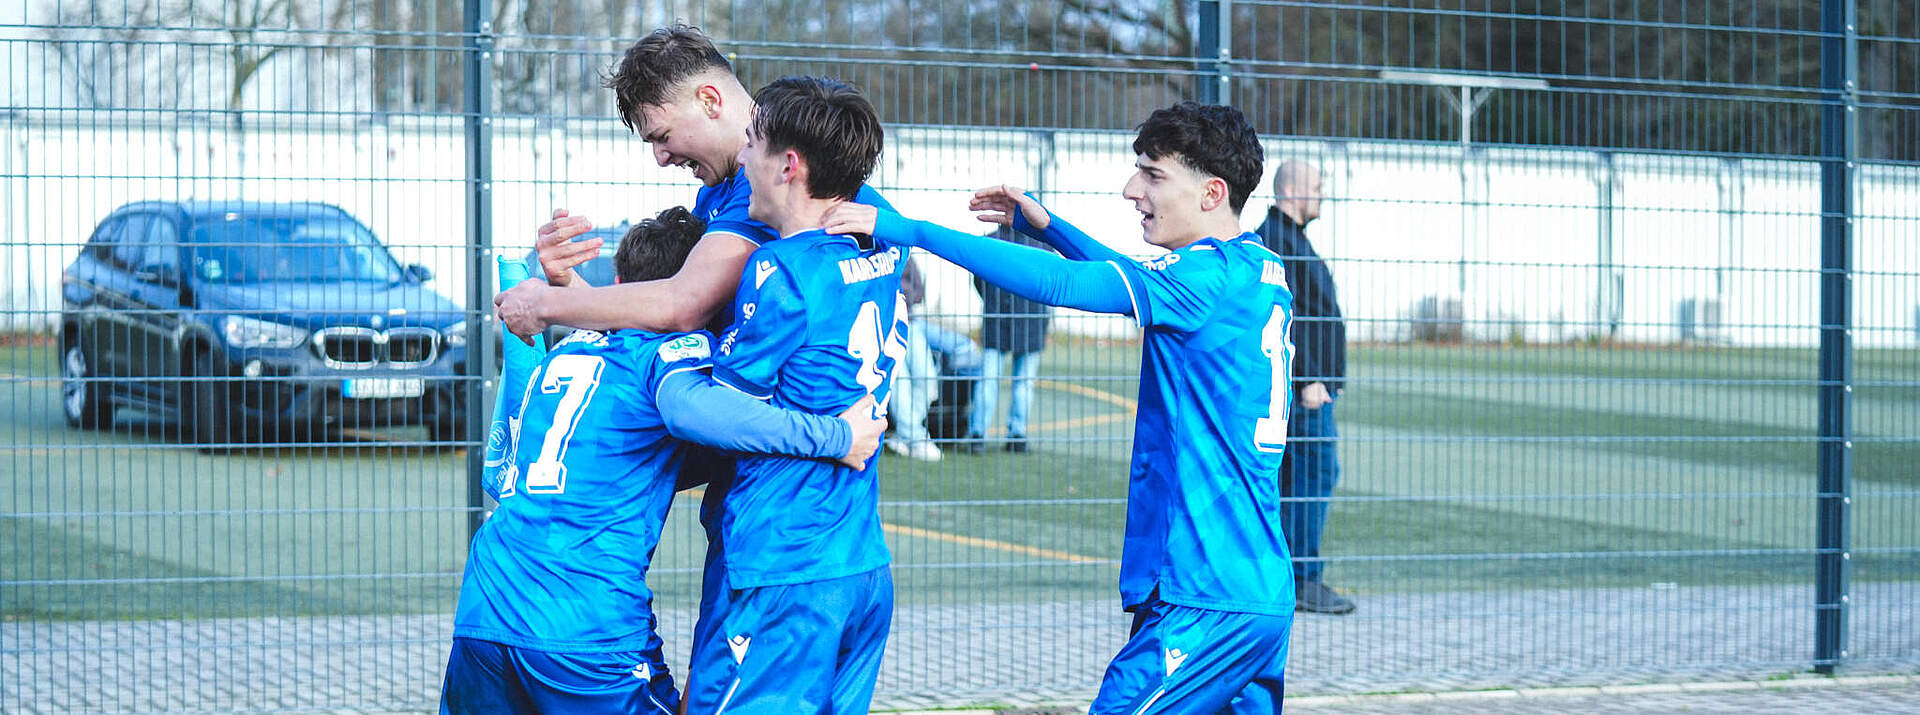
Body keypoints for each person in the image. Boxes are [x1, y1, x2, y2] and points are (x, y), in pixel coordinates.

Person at [824, 101, 1294, 712]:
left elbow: (1061, 285)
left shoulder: (1196, 282)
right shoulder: (1256, 267)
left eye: (1152, 176)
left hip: (1205, 596)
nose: (1132, 190)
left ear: (1211, 193)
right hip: (1257, 592)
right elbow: (1131, 274)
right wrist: (1048, 227)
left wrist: (910, 230)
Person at [486, 22, 897, 694]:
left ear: (711, 101)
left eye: (661, 136)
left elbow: (681, 313)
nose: (660, 159)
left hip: (778, 539)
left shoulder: (768, 202)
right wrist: (572, 288)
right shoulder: (827, 201)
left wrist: (552, 305)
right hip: (843, 539)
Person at [441, 207, 887, 715]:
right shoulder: (672, 351)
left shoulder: (573, 350)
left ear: (618, 283)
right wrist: (835, 435)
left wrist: (565, 286)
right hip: (584, 627)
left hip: (485, 604)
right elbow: (698, 410)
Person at [682, 76, 905, 714]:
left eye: (752, 143)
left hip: (784, 565)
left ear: (789, 164)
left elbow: (719, 408)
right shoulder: (883, 254)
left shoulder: (780, 269)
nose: (742, 162)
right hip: (860, 561)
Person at [1258, 159, 1355, 615]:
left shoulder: (1289, 239)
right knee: (1311, 477)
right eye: (1317, 187)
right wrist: (1308, 379)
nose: (1321, 195)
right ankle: (1302, 577)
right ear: (1293, 191)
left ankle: (1292, 575)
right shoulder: (1278, 242)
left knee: (1304, 478)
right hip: (1304, 391)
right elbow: (1284, 317)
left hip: (1309, 387)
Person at [965, 226, 1054, 453]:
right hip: (1031, 320)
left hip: (998, 318)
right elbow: (1050, 282)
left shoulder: (989, 242)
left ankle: (978, 434)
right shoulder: (1042, 245)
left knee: (989, 380)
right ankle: (1016, 435)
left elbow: (978, 282)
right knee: (1023, 382)